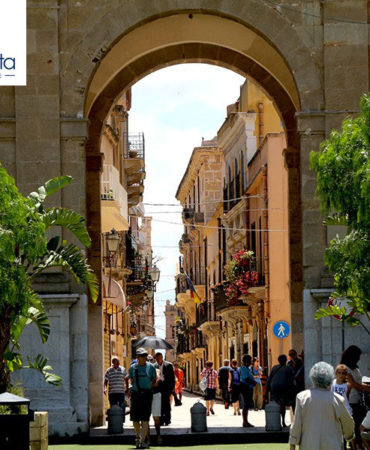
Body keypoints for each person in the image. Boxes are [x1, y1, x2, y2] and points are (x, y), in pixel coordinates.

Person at [289, 361, 354, 450]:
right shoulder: (338, 399)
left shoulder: (302, 397)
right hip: (332, 445)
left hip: (308, 445)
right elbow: (348, 423)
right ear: (330, 379)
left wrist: (292, 444)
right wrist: (349, 436)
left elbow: (296, 424)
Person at [341, 345, 370, 449]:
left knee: (358, 426)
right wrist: (366, 388)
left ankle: (358, 445)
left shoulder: (355, 368)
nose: (359, 358)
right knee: (355, 426)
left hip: (358, 400)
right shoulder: (345, 369)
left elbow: (357, 382)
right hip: (351, 401)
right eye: (358, 356)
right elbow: (353, 384)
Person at [129, 348, 157, 449]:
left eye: (145, 355)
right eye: (142, 356)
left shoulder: (151, 367)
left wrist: (149, 387)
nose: (145, 357)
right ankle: (137, 436)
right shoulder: (132, 368)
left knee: (145, 419)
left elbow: (154, 379)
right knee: (135, 419)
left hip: (147, 395)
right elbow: (131, 380)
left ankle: (141, 440)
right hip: (136, 394)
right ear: (138, 357)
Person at [266, 354, 295, 428]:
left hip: (274, 387)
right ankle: (283, 422)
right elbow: (291, 379)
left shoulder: (274, 367)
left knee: (275, 403)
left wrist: (267, 388)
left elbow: (270, 378)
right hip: (283, 387)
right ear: (285, 360)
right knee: (282, 404)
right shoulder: (288, 368)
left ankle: (275, 421)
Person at [154, 352, 175, 426]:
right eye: (157, 358)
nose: (158, 359)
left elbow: (172, 378)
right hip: (158, 387)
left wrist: (172, 389)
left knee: (166, 404)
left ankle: (167, 419)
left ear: (162, 357)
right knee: (159, 404)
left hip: (166, 387)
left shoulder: (169, 365)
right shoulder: (154, 366)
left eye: (159, 358)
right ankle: (161, 420)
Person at [240, 354, 256, 427]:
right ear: (247, 361)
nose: (251, 362)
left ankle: (246, 421)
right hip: (245, 388)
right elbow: (245, 378)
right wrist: (253, 382)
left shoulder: (247, 368)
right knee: (246, 404)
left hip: (249, 388)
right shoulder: (243, 368)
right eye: (250, 360)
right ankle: (245, 421)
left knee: (247, 404)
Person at [151, 366, 163, 445]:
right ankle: (146, 438)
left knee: (156, 417)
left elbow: (156, 382)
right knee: (144, 419)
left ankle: (158, 435)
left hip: (155, 394)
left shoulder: (156, 370)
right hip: (145, 395)